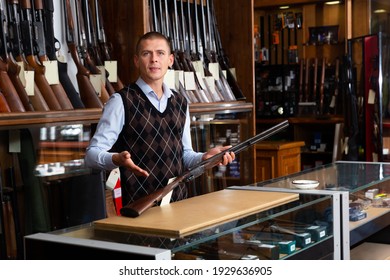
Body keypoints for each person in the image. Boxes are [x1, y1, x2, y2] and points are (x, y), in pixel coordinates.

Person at [85, 31, 235, 208]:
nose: (154, 59)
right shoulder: (121, 101)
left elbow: (185, 156)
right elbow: (91, 155)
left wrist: (205, 159)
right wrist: (116, 159)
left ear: (170, 60)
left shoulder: (180, 102)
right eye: (146, 53)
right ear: (136, 60)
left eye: (160, 53)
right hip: (136, 209)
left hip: (178, 205)